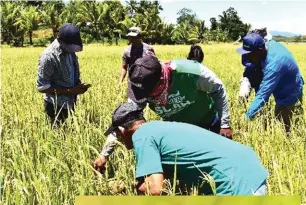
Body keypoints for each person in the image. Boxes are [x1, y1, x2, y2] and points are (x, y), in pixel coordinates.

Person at [94, 102, 268, 196]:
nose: (119, 141)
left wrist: (123, 188)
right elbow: (172, 182)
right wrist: (128, 185)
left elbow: (155, 190)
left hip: (235, 185)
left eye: (117, 134)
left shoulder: (142, 136)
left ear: (122, 130)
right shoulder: (160, 129)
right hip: (251, 171)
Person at [98, 55, 232, 168]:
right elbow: (124, 121)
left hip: (208, 122)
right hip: (178, 131)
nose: (145, 99)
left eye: (148, 93)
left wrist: (225, 124)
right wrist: (104, 155)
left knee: (219, 162)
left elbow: (218, 89)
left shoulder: (191, 72)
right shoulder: (142, 89)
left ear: (161, 81)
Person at [236, 33, 304, 133]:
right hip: (283, 82)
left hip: (290, 91)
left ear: (259, 51)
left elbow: (263, 95)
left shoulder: (274, 66)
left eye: (249, 54)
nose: (246, 56)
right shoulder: (268, 46)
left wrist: (246, 118)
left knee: (282, 124)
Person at [37, 23, 91, 126]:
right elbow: (42, 87)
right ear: (60, 41)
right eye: (69, 47)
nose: (71, 50)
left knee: (69, 132)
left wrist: (78, 85)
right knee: (58, 136)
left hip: (70, 102)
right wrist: (70, 91)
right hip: (56, 105)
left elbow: (72, 71)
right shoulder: (48, 57)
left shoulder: (70, 52)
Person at [120, 27, 155, 99]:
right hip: (133, 81)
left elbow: (154, 64)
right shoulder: (127, 51)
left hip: (148, 81)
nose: (131, 39)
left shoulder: (149, 48)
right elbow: (124, 67)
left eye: (133, 36)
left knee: (149, 100)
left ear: (139, 36)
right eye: (130, 37)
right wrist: (121, 81)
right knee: (133, 101)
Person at [239, 28, 272, 101]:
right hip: (248, 75)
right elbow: (244, 62)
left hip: (262, 77)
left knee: (261, 99)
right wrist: (256, 62)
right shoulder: (249, 47)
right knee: (243, 96)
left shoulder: (264, 48)